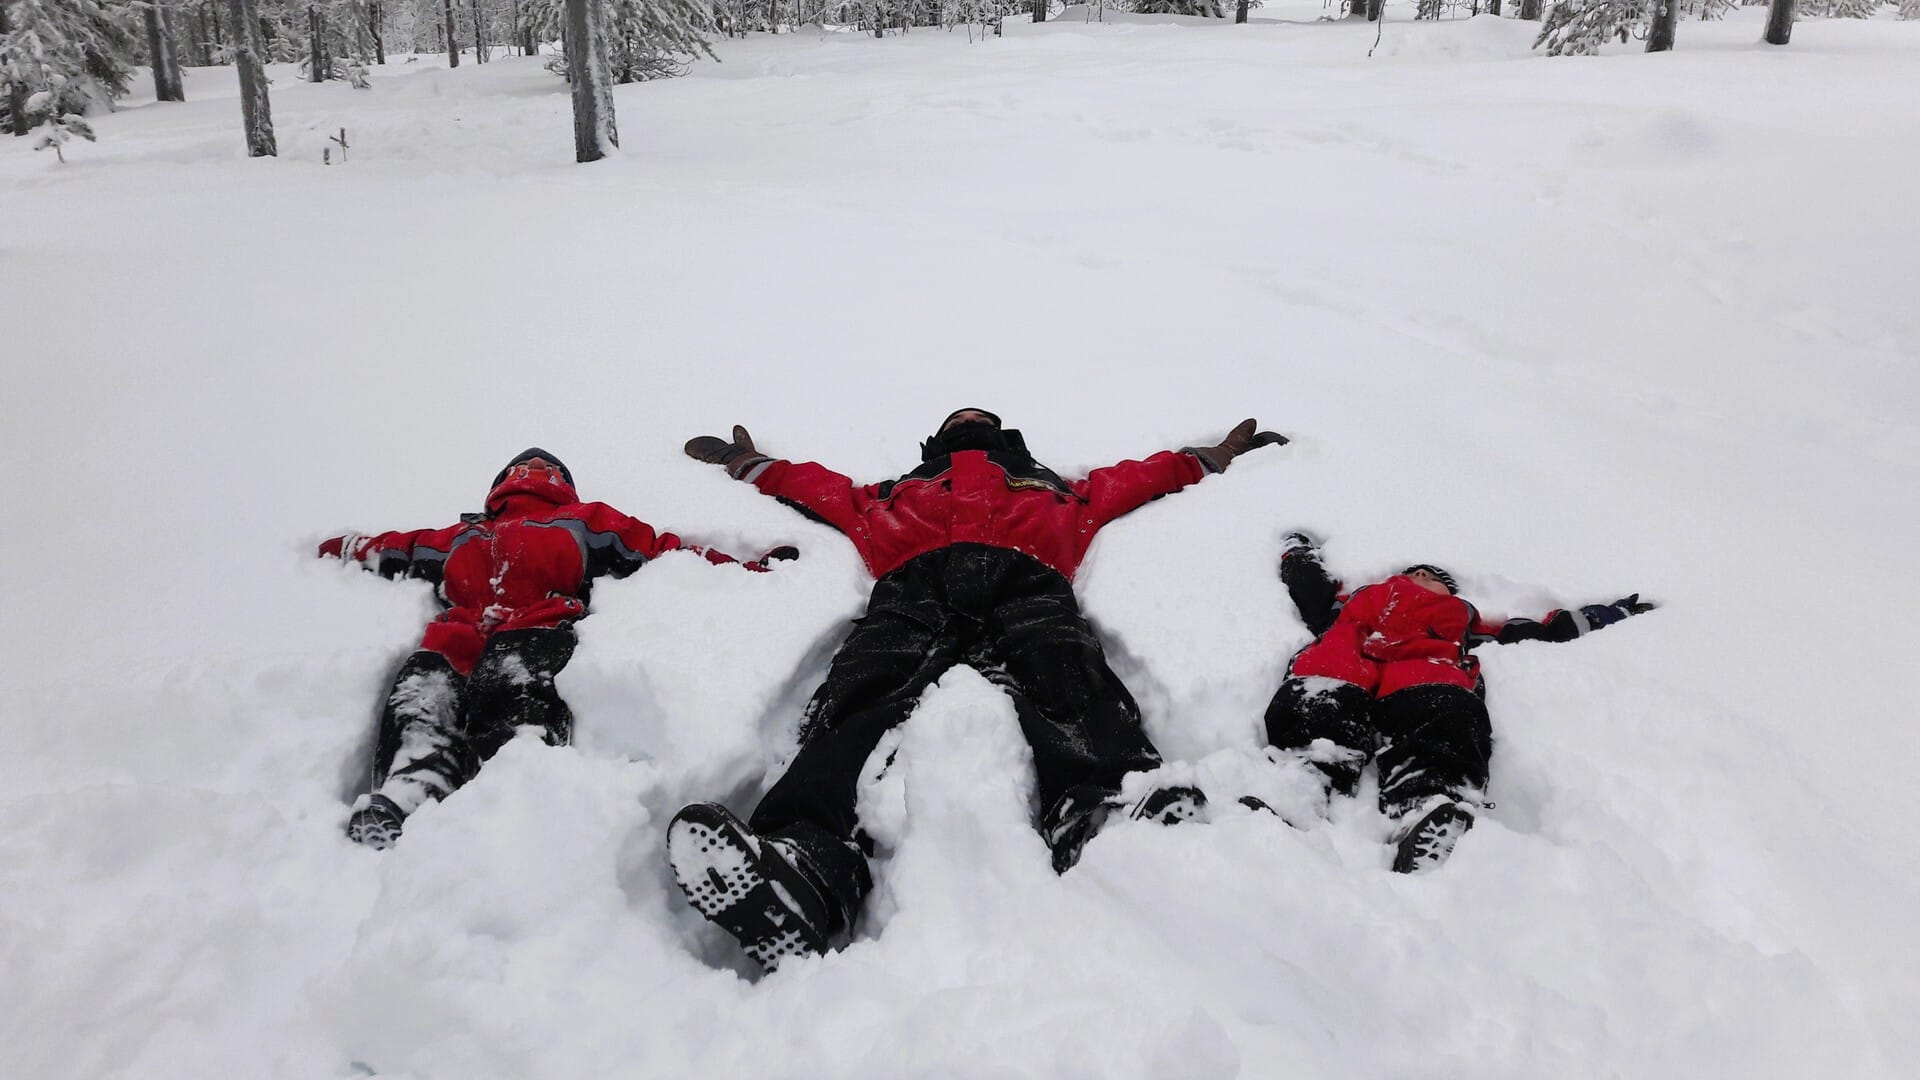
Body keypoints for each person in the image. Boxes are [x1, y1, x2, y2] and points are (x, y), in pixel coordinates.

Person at [667, 409, 1287, 968]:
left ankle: (1110, 822)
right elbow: (821, 491)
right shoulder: (892, 493)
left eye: (979, 417)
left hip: (1028, 581)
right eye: (960, 418)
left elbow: (1135, 480)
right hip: (913, 589)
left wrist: (1208, 458)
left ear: (1004, 438)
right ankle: (806, 862)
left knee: (1067, 676)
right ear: (935, 443)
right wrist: (748, 464)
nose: (970, 420)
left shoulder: (1059, 488)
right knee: (859, 692)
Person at [319, 448, 790, 849]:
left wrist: (347, 547)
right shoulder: (575, 522)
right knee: (482, 690)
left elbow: (395, 549)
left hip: (493, 633)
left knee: (431, 696)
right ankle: (481, 790)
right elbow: (665, 551)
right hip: (513, 631)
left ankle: (424, 787)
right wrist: (746, 565)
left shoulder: (478, 535)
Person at [1264, 532, 1654, 873]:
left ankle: (1430, 803)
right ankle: (1302, 785)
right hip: (1347, 656)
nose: (1421, 578)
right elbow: (1313, 591)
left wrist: (1603, 614)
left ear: (1451, 592)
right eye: (1414, 573)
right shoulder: (1355, 603)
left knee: (1447, 714)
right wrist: (1297, 553)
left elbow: (1541, 630)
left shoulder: (1465, 619)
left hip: (1422, 667)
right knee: (1318, 704)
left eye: (1433, 578)